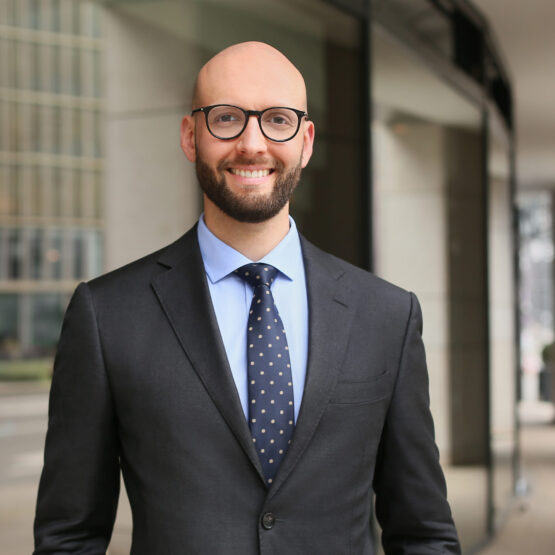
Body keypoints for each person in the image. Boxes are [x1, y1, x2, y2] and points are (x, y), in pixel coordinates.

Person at [34, 41, 460, 554]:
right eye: (227, 118)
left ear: (305, 141)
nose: (252, 144)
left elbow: (425, 534)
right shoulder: (106, 316)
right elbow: (69, 536)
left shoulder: (387, 316)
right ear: (191, 136)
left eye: (277, 120)